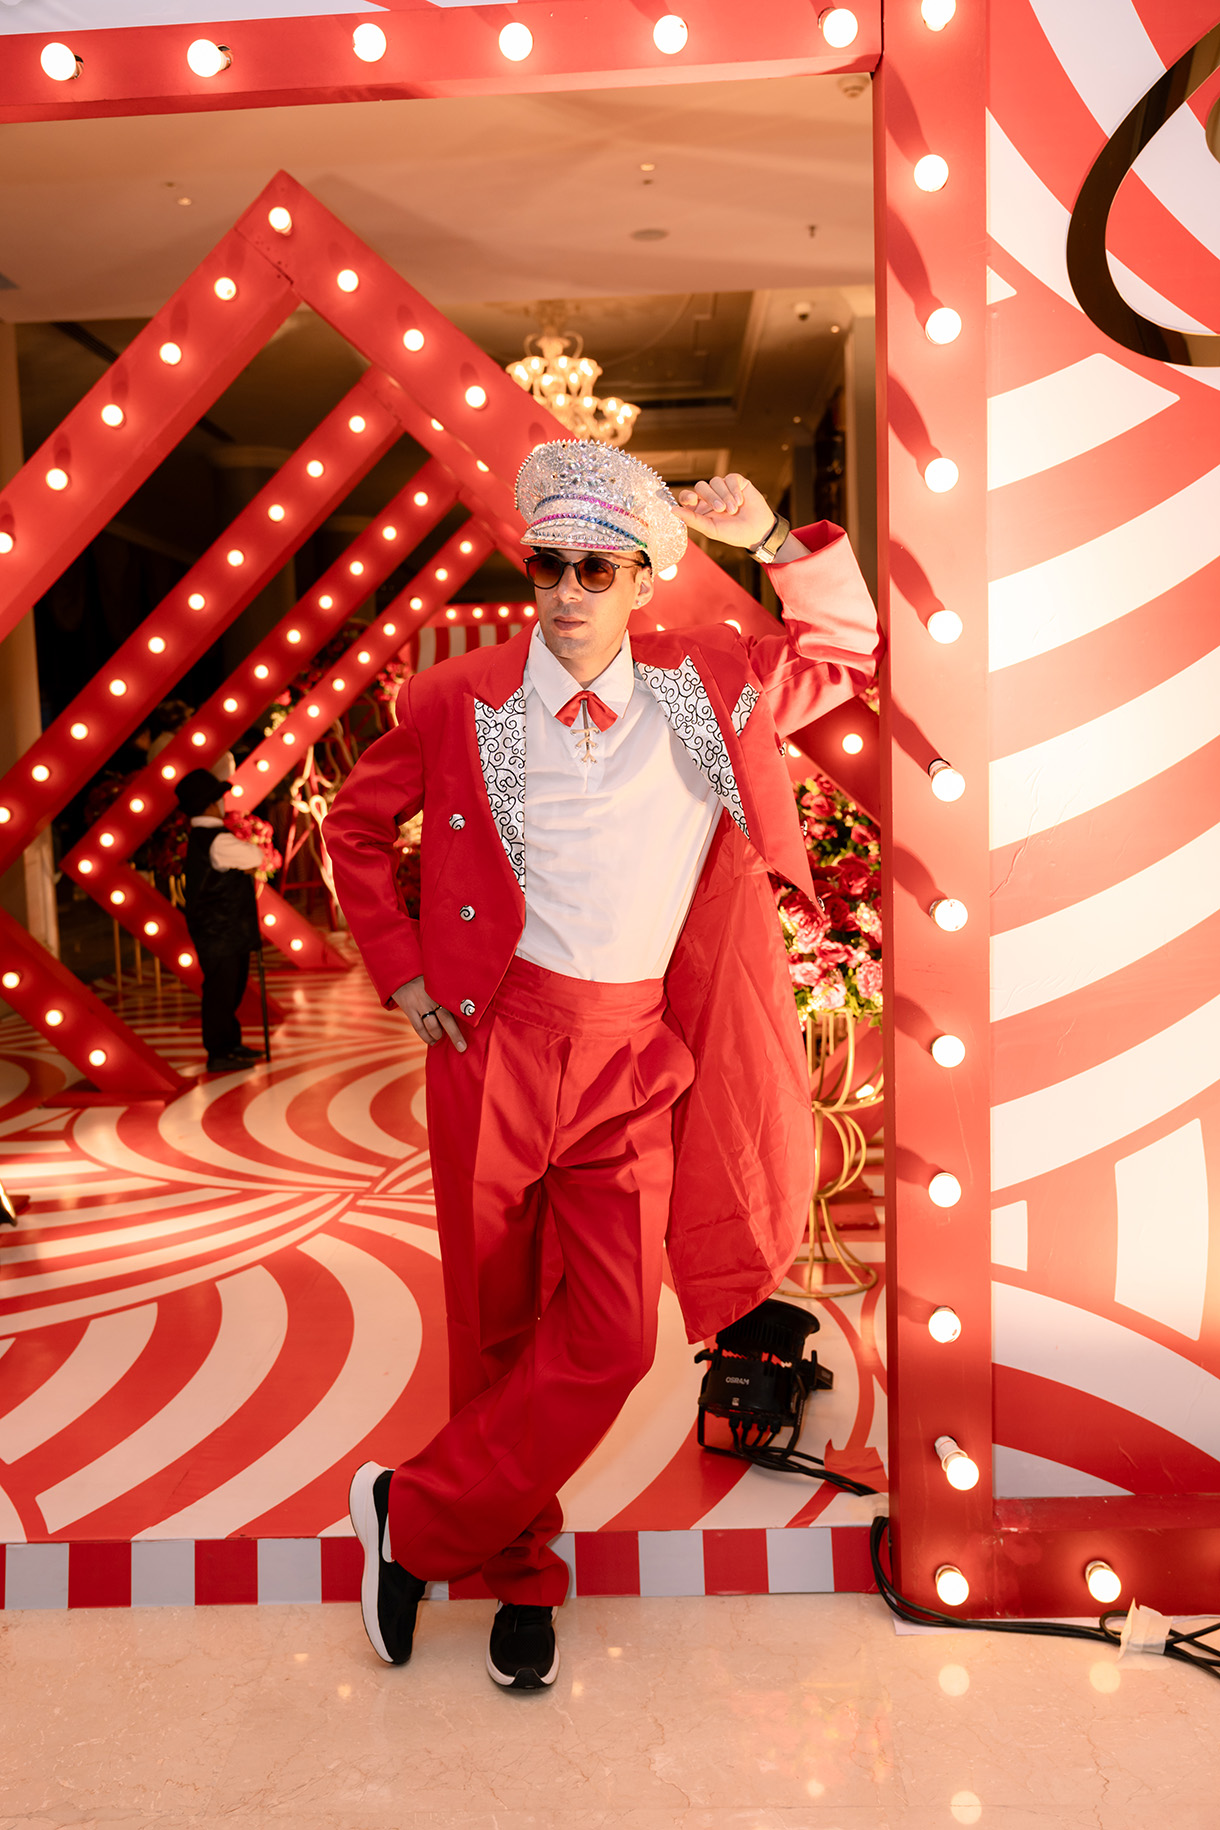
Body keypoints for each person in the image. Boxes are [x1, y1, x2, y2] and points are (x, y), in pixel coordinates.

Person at [324, 442, 880, 1690]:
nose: (566, 591)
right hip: (495, 1040)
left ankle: (411, 1516)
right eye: (548, 566)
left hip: (634, 1050)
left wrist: (773, 539)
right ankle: (521, 1571)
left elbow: (846, 649)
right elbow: (354, 827)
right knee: (495, 1328)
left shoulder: (708, 685)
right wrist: (402, 970)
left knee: (616, 1336)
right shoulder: (456, 697)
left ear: (642, 580)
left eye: (595, 568)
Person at [174, 767, 265, 1073]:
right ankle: (219, 1050)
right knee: (221, 990)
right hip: (220, 931)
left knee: (230, 988)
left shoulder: (206, 837)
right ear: (210, 805)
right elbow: (255, 858)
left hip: (223, 931)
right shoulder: (215, 839)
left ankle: (229, 1044)